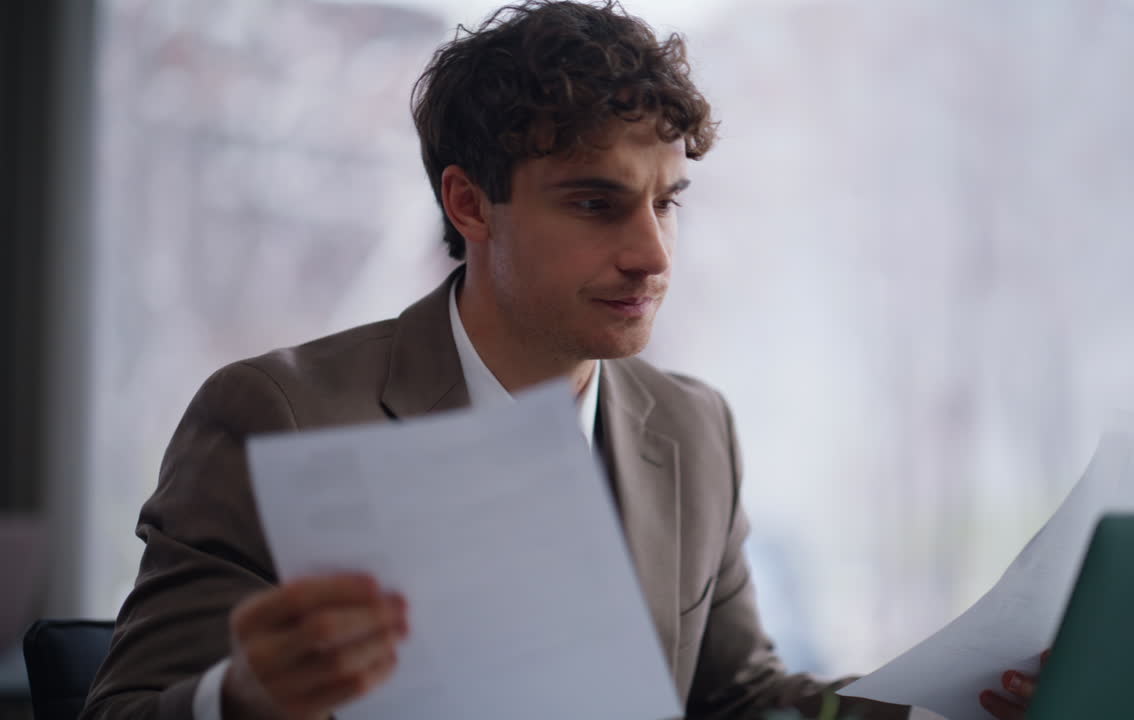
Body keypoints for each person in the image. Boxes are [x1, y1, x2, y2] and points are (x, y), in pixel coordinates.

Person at [80, 2, 1042, 719]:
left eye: (666, 202)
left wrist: (941, 705)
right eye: (596, 203)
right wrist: (243, 696)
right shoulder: (275, 414)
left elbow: (737, 700)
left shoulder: (691, 428)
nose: (654, 255)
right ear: (469, 204)